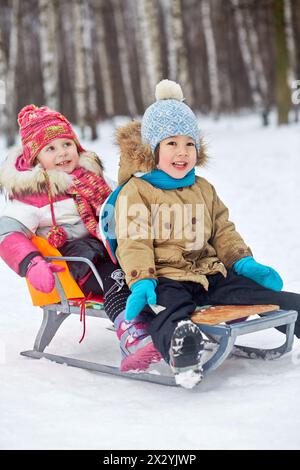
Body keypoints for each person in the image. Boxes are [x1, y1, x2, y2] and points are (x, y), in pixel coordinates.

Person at [111, 79, 300, 388]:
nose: (182, 152)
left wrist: (242, 262)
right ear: (153, 149)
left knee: (264, 296)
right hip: (166, 277)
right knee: (170, 313)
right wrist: (142, 279)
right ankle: (181, 350)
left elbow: (223, 228)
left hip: (211, 273)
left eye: (189, 143)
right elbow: (134, 240)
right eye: (171, 143)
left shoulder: (203, 188)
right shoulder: (137, 192)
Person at [0, 104, 161, 370]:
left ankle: (180, 316)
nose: (62, 153)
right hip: (77, 263)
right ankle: (133, 333)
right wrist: (31, 263)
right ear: (35, 158)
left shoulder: (93, 177)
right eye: (50, 149)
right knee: (117, 277)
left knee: (153, 265)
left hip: (112, 247)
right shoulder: (32, 194)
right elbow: (7, 232)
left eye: (66, 144)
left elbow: (121, 200)